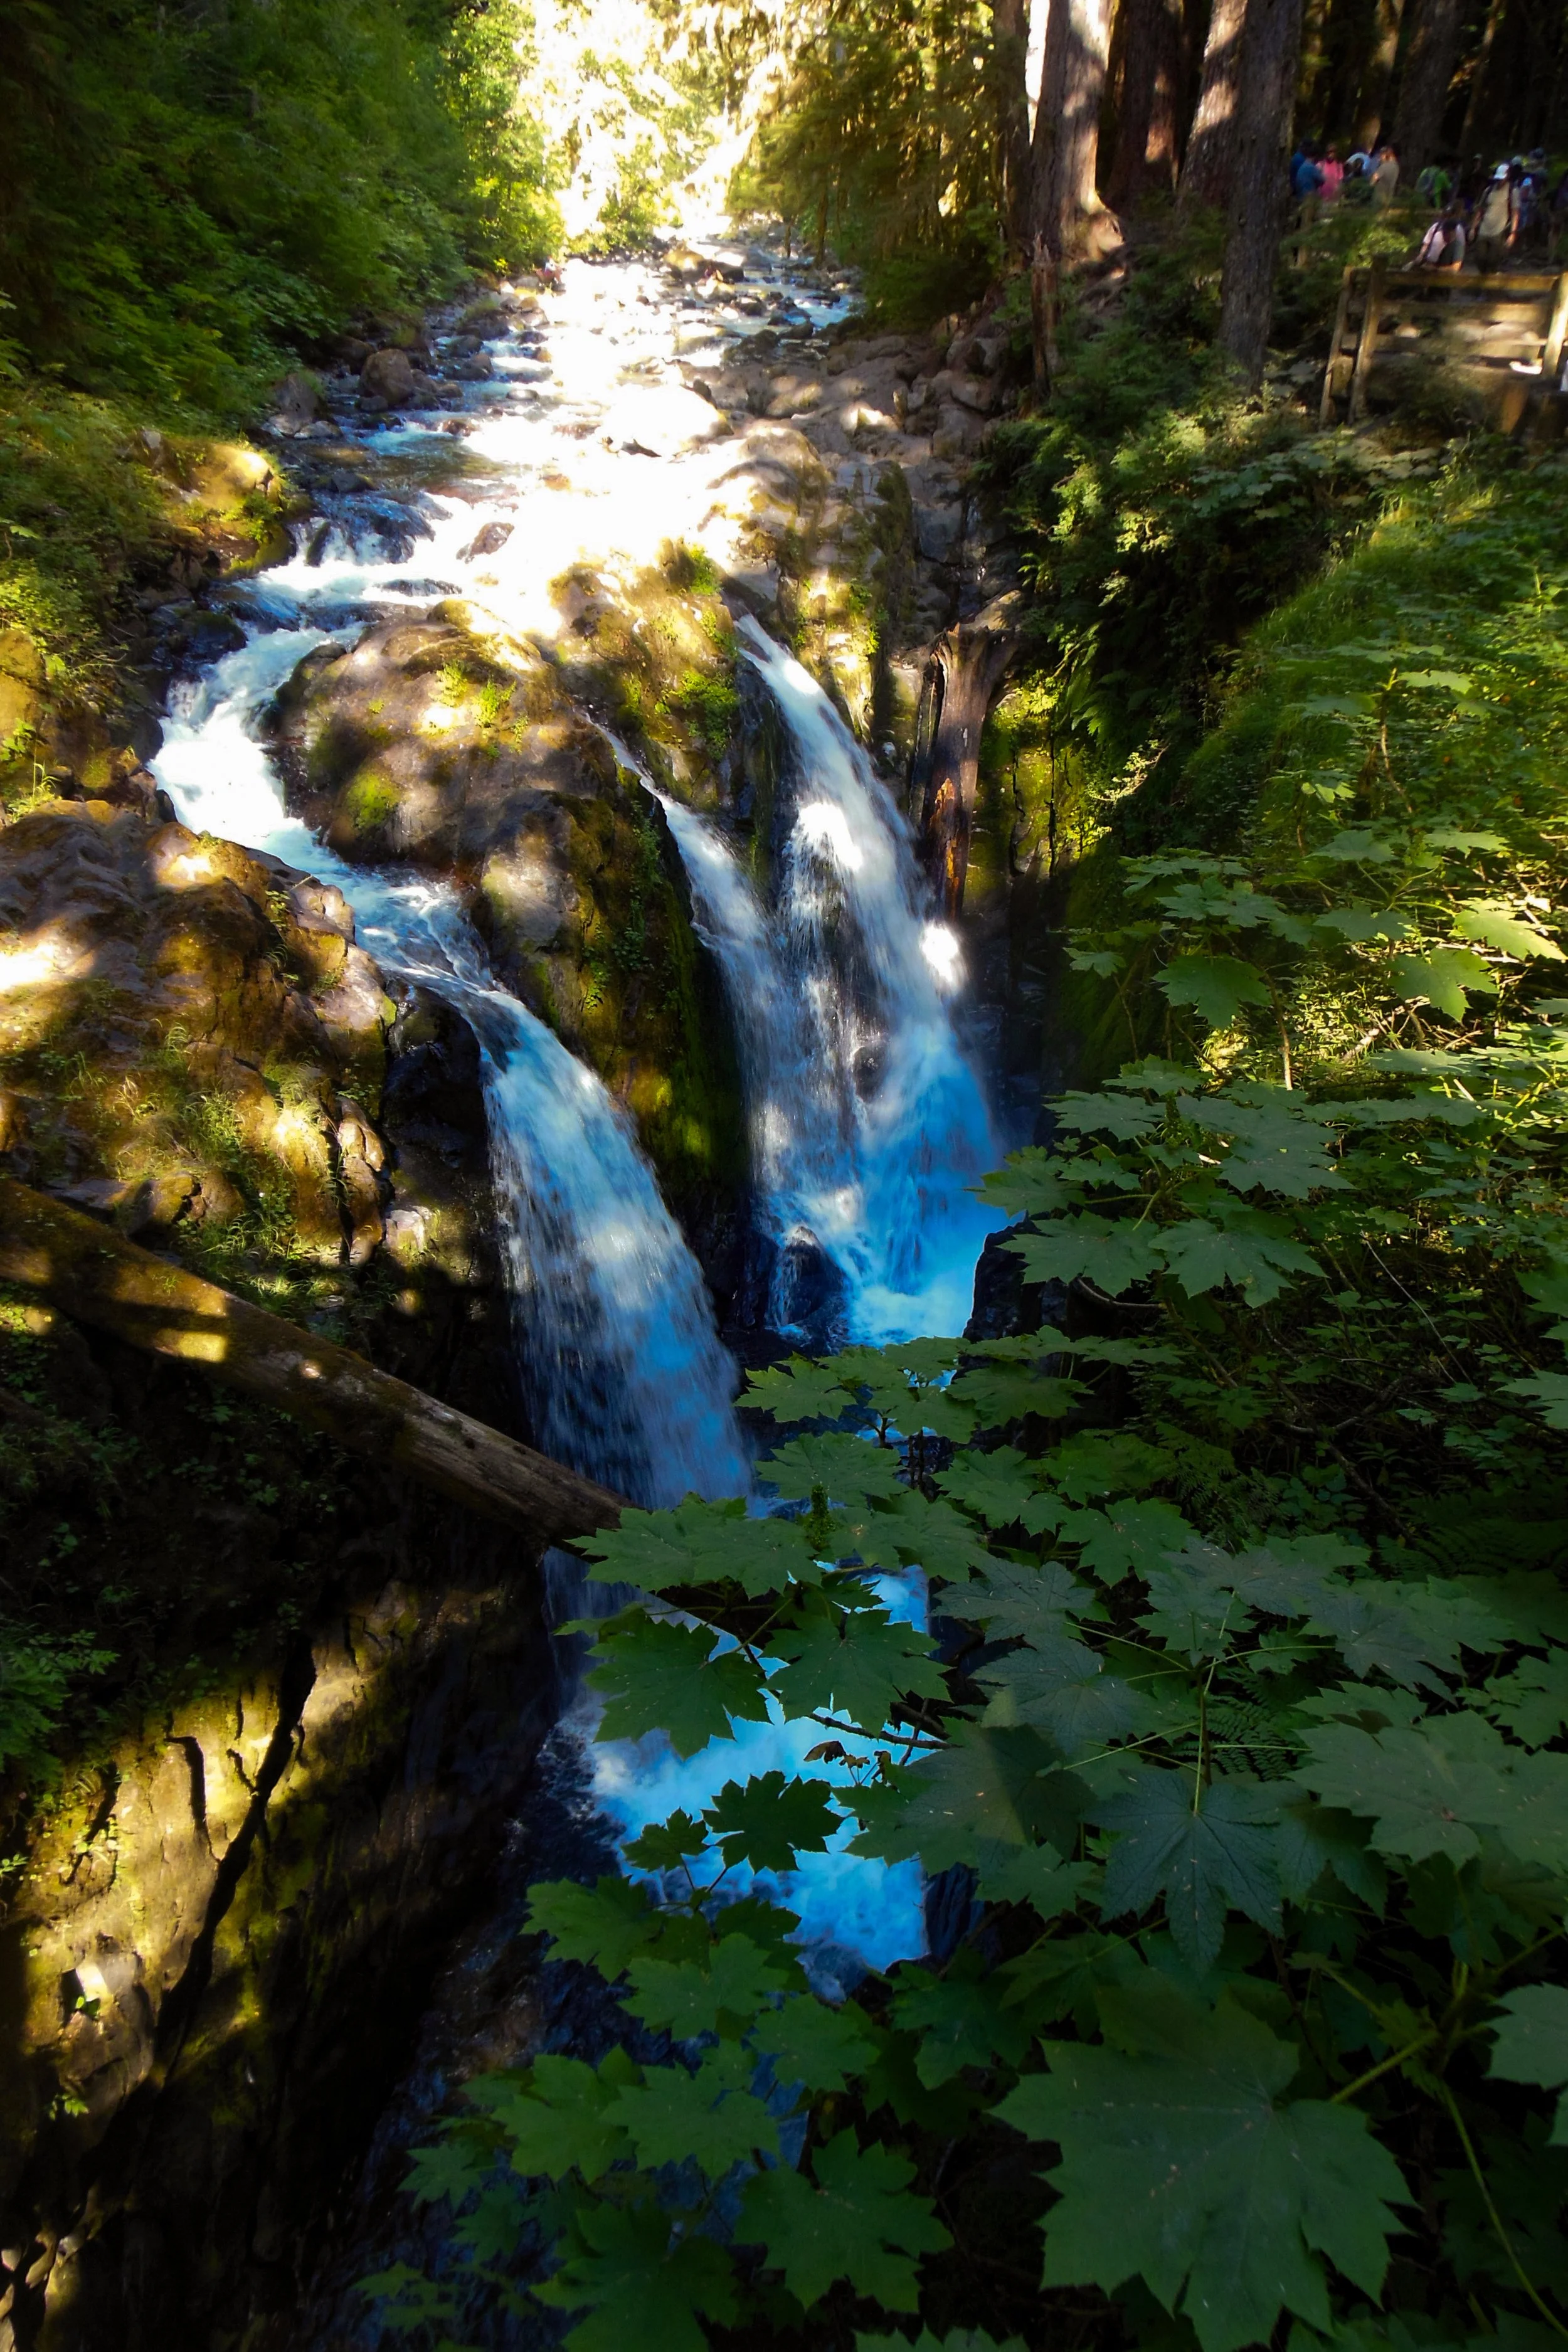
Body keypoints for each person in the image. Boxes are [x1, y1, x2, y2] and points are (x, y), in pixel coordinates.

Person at [1473, 162, 1517, 272]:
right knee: (1480, 257)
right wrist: (1473, 228)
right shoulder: (1488, 191)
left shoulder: (1512, 191)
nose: (1500, 181)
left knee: (1493, 260)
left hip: (1499, 230)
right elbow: (1480, 210)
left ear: (1508, 176)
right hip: (1484, 228)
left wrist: (1513, 233)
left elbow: (1515, 213)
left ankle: (1490, 283)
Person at [1416, 205, 1467, 270]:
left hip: (1445, 266)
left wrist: (1435, 269)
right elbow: (1426, 243)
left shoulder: (1458, 229)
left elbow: (1460, 248)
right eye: (1445, 215)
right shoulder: (1435, 227)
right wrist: (1421, 255)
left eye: (1449, 215)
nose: (1446, 217)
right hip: (1429, 263)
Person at [1370, 142, 1401, 208]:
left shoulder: (1384, 167)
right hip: (1389, 195)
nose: (1380, 158)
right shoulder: (1396, 166)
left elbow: (1375, 177)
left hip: (1380, 195)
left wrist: (1371, 184)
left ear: (1385, 155)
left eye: (1381, 156)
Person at [1319, 143, 1345, 207]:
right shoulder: (1320, 165)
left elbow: (1341, 181)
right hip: (1322, 200)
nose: (1330, 155)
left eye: (1333, 152)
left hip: (1335, 200)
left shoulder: (1339, 166)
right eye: (1329, 152)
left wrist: (1341, 194)